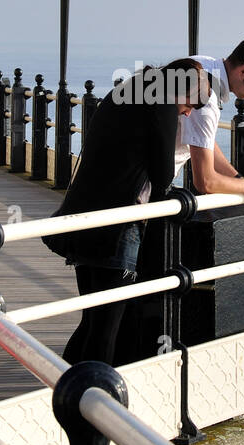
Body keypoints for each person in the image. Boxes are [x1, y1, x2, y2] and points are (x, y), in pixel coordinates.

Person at [43, 59, 210, 366]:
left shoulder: (130, 90)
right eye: (193, 103)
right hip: (118, 226)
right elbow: (161, 178)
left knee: (93, 320)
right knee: (107, 329)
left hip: (85, 218)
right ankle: (97, 402)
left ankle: (64, 389)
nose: (190, 112)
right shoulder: (161, 103)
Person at [175, 37, 244, 200]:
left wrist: (240, 180)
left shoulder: (200, 64)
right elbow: (205, 181)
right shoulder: (207, 99)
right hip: (139, 188)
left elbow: (204, 141)